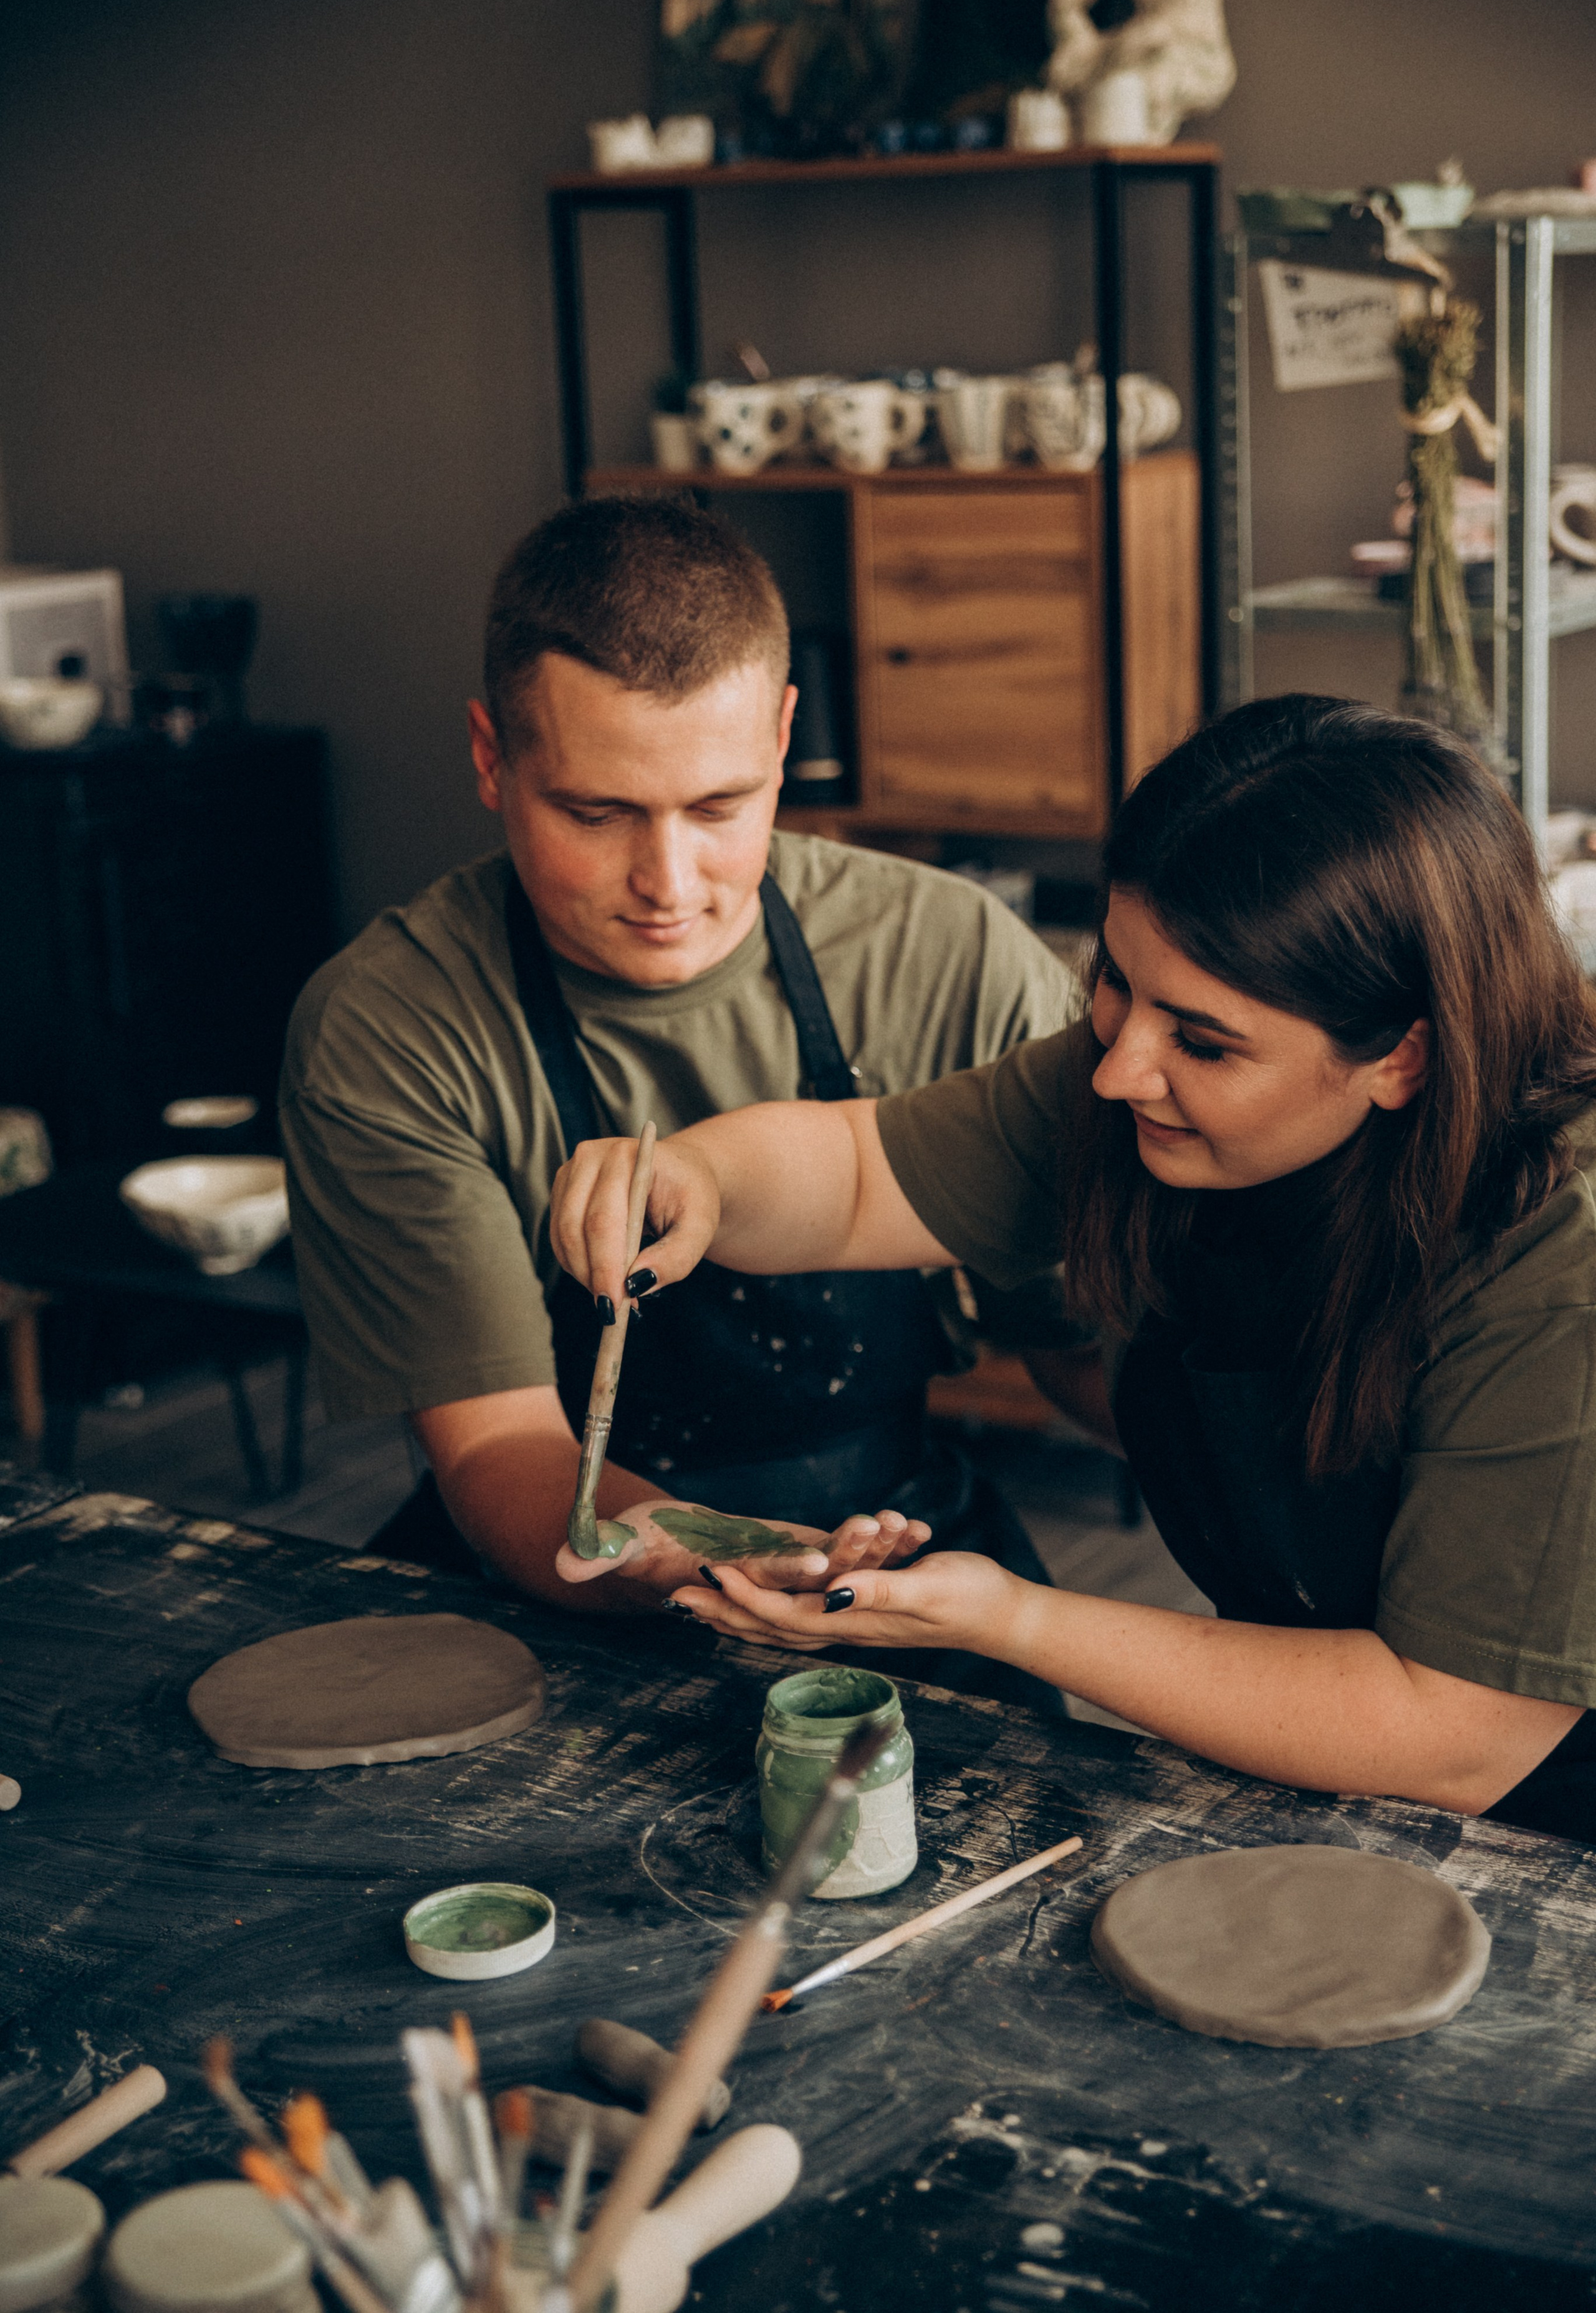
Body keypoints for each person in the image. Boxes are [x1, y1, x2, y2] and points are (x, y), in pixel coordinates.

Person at [551, 694, 1596, 1840]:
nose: (1119, 1070)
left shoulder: (1559, 1256)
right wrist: (700, 1178)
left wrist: (1010, 1620)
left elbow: (1457, 1729)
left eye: (1202, 1041)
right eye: (1116, 981)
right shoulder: (1144, 1069)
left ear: (1402, 1056)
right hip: (1320, 1757)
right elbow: (859, 1173)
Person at [279, 494, 1084, 1645]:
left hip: (900, 1553)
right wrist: (713, 1554)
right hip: (567, 1574)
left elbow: (1076, 1341)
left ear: (783, 738)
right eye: (597, 813)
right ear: (490, 758)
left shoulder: (945, 956)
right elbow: (504, 1448)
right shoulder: (390, 1027)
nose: (670, 880)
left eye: (721, 806)